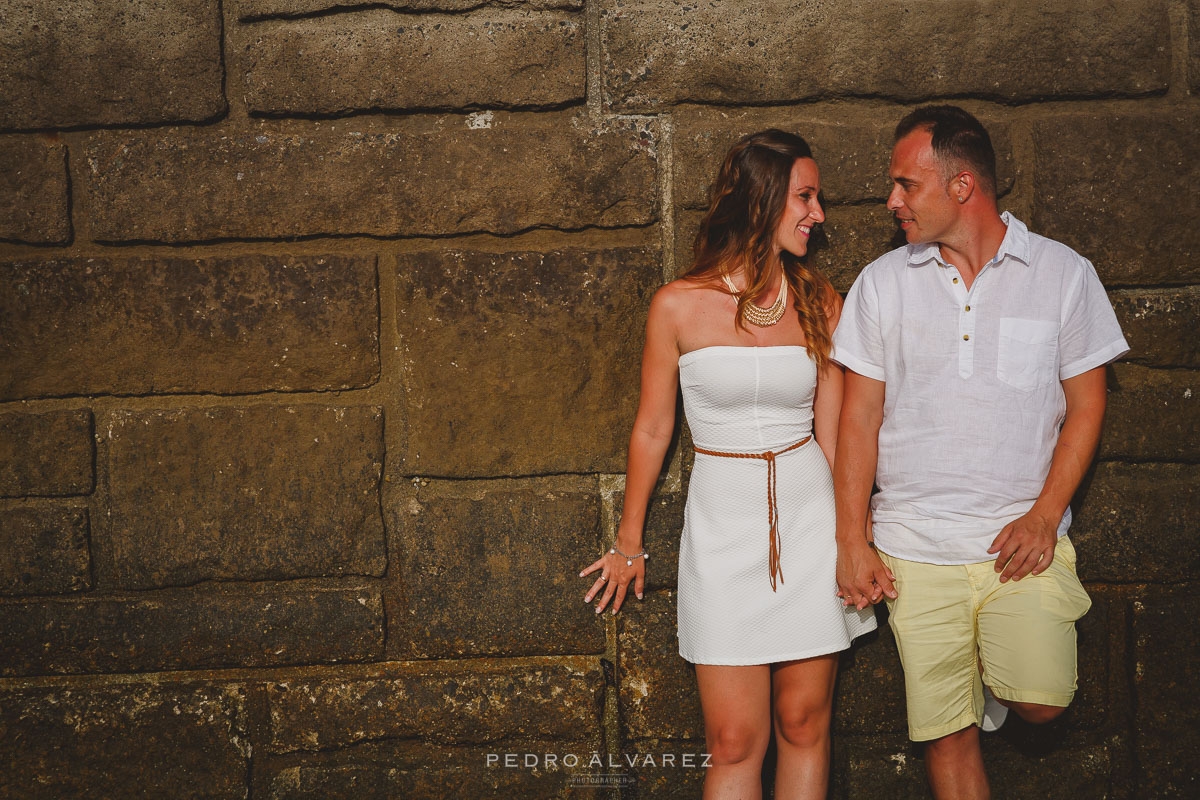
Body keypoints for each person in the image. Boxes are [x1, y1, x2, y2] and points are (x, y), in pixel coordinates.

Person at [832, 105, 1129, 798]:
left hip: (1019, 541)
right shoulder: (881, 283)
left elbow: (1088, 405)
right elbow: (858, 420)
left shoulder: (1063, 273)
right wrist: (853, 539)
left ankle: (990, 663)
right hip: (912, 546)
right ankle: (964, 685)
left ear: (962, 185)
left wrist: (1043, 514)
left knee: (1042, 699)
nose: (892, 200)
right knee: (947, 737)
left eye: (907, 184)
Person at [578, 129, 876, 798]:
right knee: (735, 741)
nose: (817, 213)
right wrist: (630, 543)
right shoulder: (677, 305)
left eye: (818, 198)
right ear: (763, 199)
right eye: (805, 196)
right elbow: (654, 427)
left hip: (808, 522)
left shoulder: (820, 302)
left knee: (804, 723)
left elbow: (836, 441)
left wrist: (852, 540)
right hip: (721, 529)